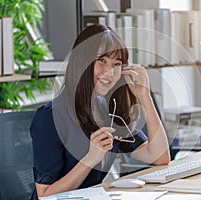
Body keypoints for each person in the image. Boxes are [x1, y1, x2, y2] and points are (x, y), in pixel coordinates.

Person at [30, 24, 170, 199]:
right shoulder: (50, 117)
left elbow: (159, 157)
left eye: (116, 64)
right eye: (102, 60)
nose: (109, 72)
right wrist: (91, 158)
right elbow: (45, 195)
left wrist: (145, 97)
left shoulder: (108, 110)